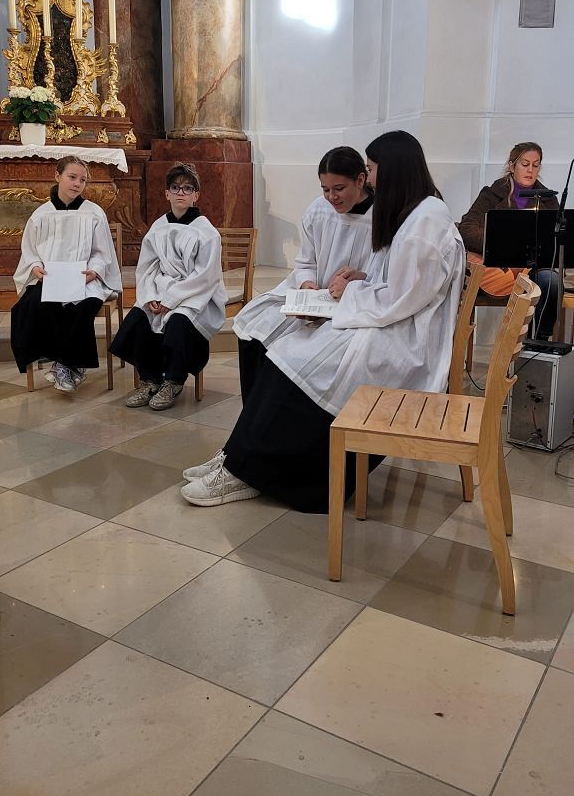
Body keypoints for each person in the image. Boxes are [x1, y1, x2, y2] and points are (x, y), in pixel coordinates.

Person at [181, 131, 465, 513]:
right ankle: (240, 456)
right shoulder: (420, 212)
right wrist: (359, 283)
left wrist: (351, 291)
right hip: (391, 320)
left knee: (292, 359)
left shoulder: (423, 225)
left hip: (407, 341)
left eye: (372, 169)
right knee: (271, 341)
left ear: (391, 171)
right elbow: (400, 289)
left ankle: (248, 468)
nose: (370, 176)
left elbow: (400, 300)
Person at [233, 146, 374, 401]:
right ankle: (253, 412)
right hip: (315, 297)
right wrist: (307, 285)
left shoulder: (381, 217)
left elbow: (383, 274)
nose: (331, 197)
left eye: (339, 188)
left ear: (360, 180)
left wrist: (356, 281)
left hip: (351, 304)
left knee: (294, 354)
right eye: (325, 189)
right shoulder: (318, 210)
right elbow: (305, 262)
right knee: (252, 326)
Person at [109, 162, 226, 411]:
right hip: (160, 291)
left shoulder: (207, 232)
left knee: (178, 321)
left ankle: (173, 380)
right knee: (139, 317)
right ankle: (150, 379)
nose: (181, 192)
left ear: (196, 195)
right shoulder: (158, 227)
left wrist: (171, 299)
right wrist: (150, 296)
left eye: (187, 188)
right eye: (175, 187)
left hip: (196, 294)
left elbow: (205, 276)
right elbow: (147, 268)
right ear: (167, 193)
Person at [11, 155, 122, 392]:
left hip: (85, 278)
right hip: (51, 278)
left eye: (82, 180)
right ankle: (65, 363)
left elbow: (102, 252)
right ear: (57, 176)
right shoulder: (41, 214)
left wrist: (94, 271)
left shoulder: (94, 213)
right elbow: (30, 251)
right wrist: (35, 267)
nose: (77, 184)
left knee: (82, 306)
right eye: (72, 177)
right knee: (28, 307)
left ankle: (65, 365)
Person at [458, 142, 559, 339]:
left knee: (552, 282)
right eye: (525, 164)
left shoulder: (548, 200)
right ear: (512, 166)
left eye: (535, 165)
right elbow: (466, 229)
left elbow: (553, 242)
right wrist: (501, 243)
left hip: (532, 269)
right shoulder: (492, 194)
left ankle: (537, 342)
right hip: (498, 269)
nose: (530, 170)